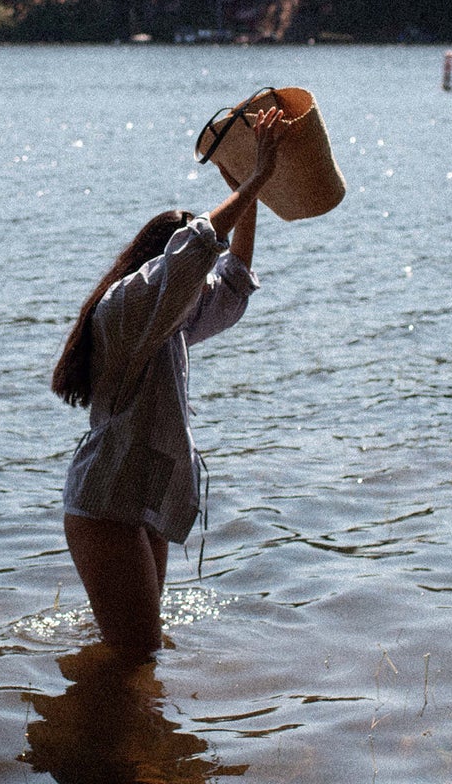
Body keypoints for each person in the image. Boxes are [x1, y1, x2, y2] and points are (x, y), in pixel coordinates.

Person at [51, 106, 286, 657]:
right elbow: (196, 250)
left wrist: (249, 198)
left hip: (137, 499)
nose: (201, 282)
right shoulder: (128, 307)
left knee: (137, 655)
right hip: (105, 503)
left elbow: (232, 285)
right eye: (190, 272)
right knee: (139, 654)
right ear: (159, 266)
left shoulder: (168, 322)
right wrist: (254, 179)